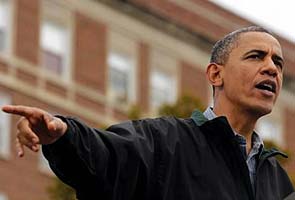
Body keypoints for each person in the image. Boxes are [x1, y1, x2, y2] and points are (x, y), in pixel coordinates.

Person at [2, 26, 294, 200]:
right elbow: (106, 157)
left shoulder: (279, 182)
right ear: (215, 74)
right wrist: (62, 134)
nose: (272, 68)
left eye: (278, 63)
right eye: (256, 56)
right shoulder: (165, 142)